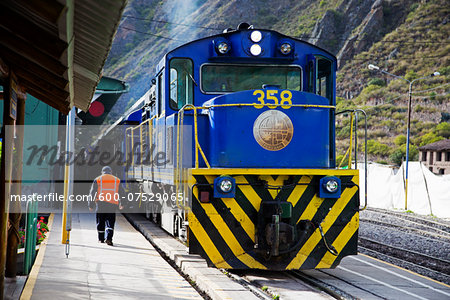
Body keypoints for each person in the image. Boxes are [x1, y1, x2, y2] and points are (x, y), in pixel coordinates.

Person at [89, 166, 124, 246]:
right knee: (110, 222)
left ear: (102, 172)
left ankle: (101, 239)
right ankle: (109, 238)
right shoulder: (117, 180)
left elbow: (92, 193)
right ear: (111, 172)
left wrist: (90, 204)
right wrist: (122, 203)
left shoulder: (98, 179)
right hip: (112, 204)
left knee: (100, 221)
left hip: (101, 204)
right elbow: (122, 193)